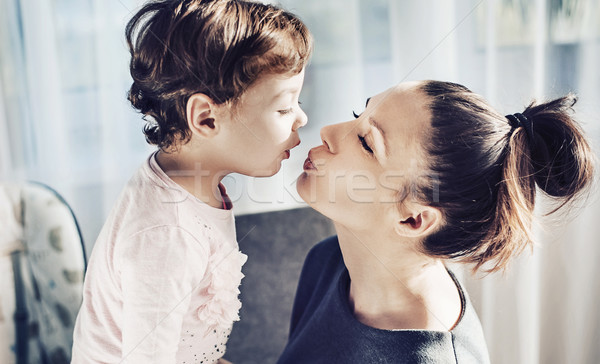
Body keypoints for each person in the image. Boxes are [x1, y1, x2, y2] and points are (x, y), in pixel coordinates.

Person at [278, 80, 595, 363]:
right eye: (358, 113)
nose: (329, 131)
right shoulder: (326, 260)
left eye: (365, 142)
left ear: (414, 219)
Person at [71, 1, 312, 363]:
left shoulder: (189, 183)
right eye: (283, 107)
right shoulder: (167, 234)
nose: (302, 118)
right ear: (207, 119)